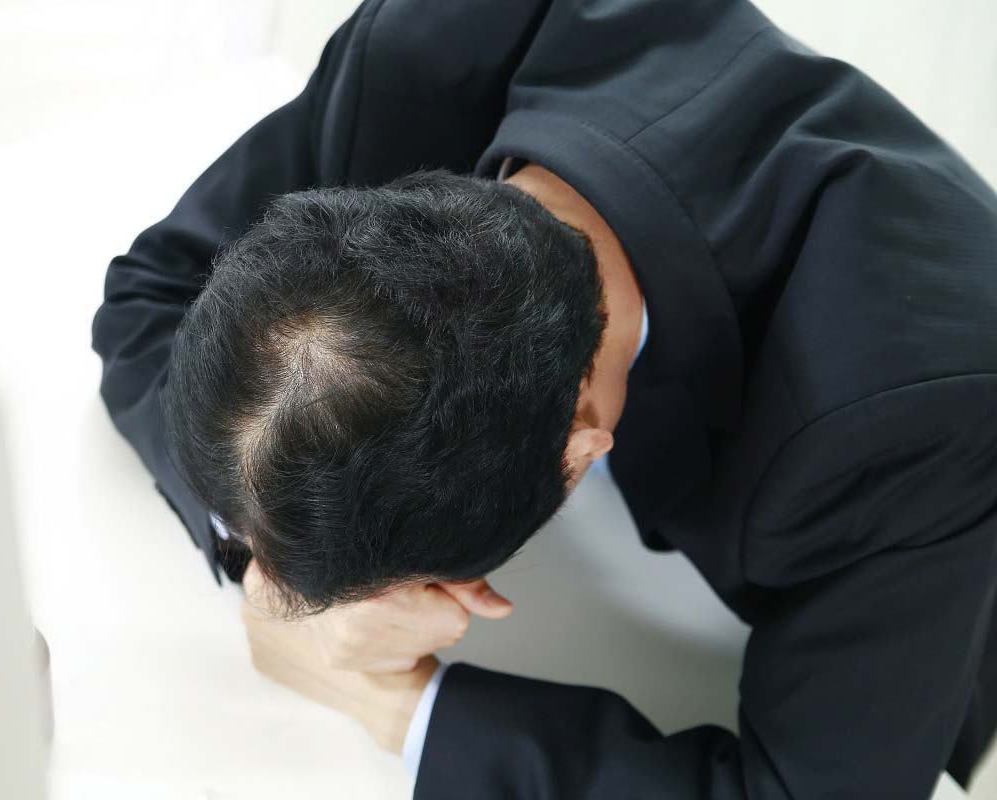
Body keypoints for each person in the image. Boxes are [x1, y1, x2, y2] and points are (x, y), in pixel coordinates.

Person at [90, 1, 997, 797]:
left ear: (580, 447)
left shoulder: (926, 425)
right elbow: (154, 290)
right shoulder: (442, 35)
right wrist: (264, 557)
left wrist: (393, 699)